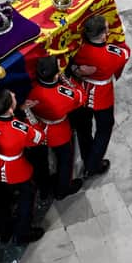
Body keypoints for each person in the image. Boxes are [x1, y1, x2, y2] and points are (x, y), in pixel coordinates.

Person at [69, 15, 131, 179]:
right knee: (104, 129)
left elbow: (70, 62)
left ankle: (86, 156)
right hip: (102, 95)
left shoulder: (79, 48)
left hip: (82, 92)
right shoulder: (110, 53)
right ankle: (93, 165)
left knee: (84, 128)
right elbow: (126, 52)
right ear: (104, 34)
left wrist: (76, 69)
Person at [0, 89, 45, 245]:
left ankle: (3, 231)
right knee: (27, 200)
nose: (14, 95)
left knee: (0, 202)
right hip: (16, 170)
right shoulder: (20, 128)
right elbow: (39, 137)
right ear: (10, 108)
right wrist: (28, 113)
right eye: (12, 97)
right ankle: (22, 233)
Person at [25, 56, 85, 200]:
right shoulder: (63, 94)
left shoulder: (32, 91)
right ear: (56, 75)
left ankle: (44, 189)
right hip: (59, 130)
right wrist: (64, 78)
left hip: (39, 126)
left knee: (42, 163)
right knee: (65, 160)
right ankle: (63, 189)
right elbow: (80, 96)